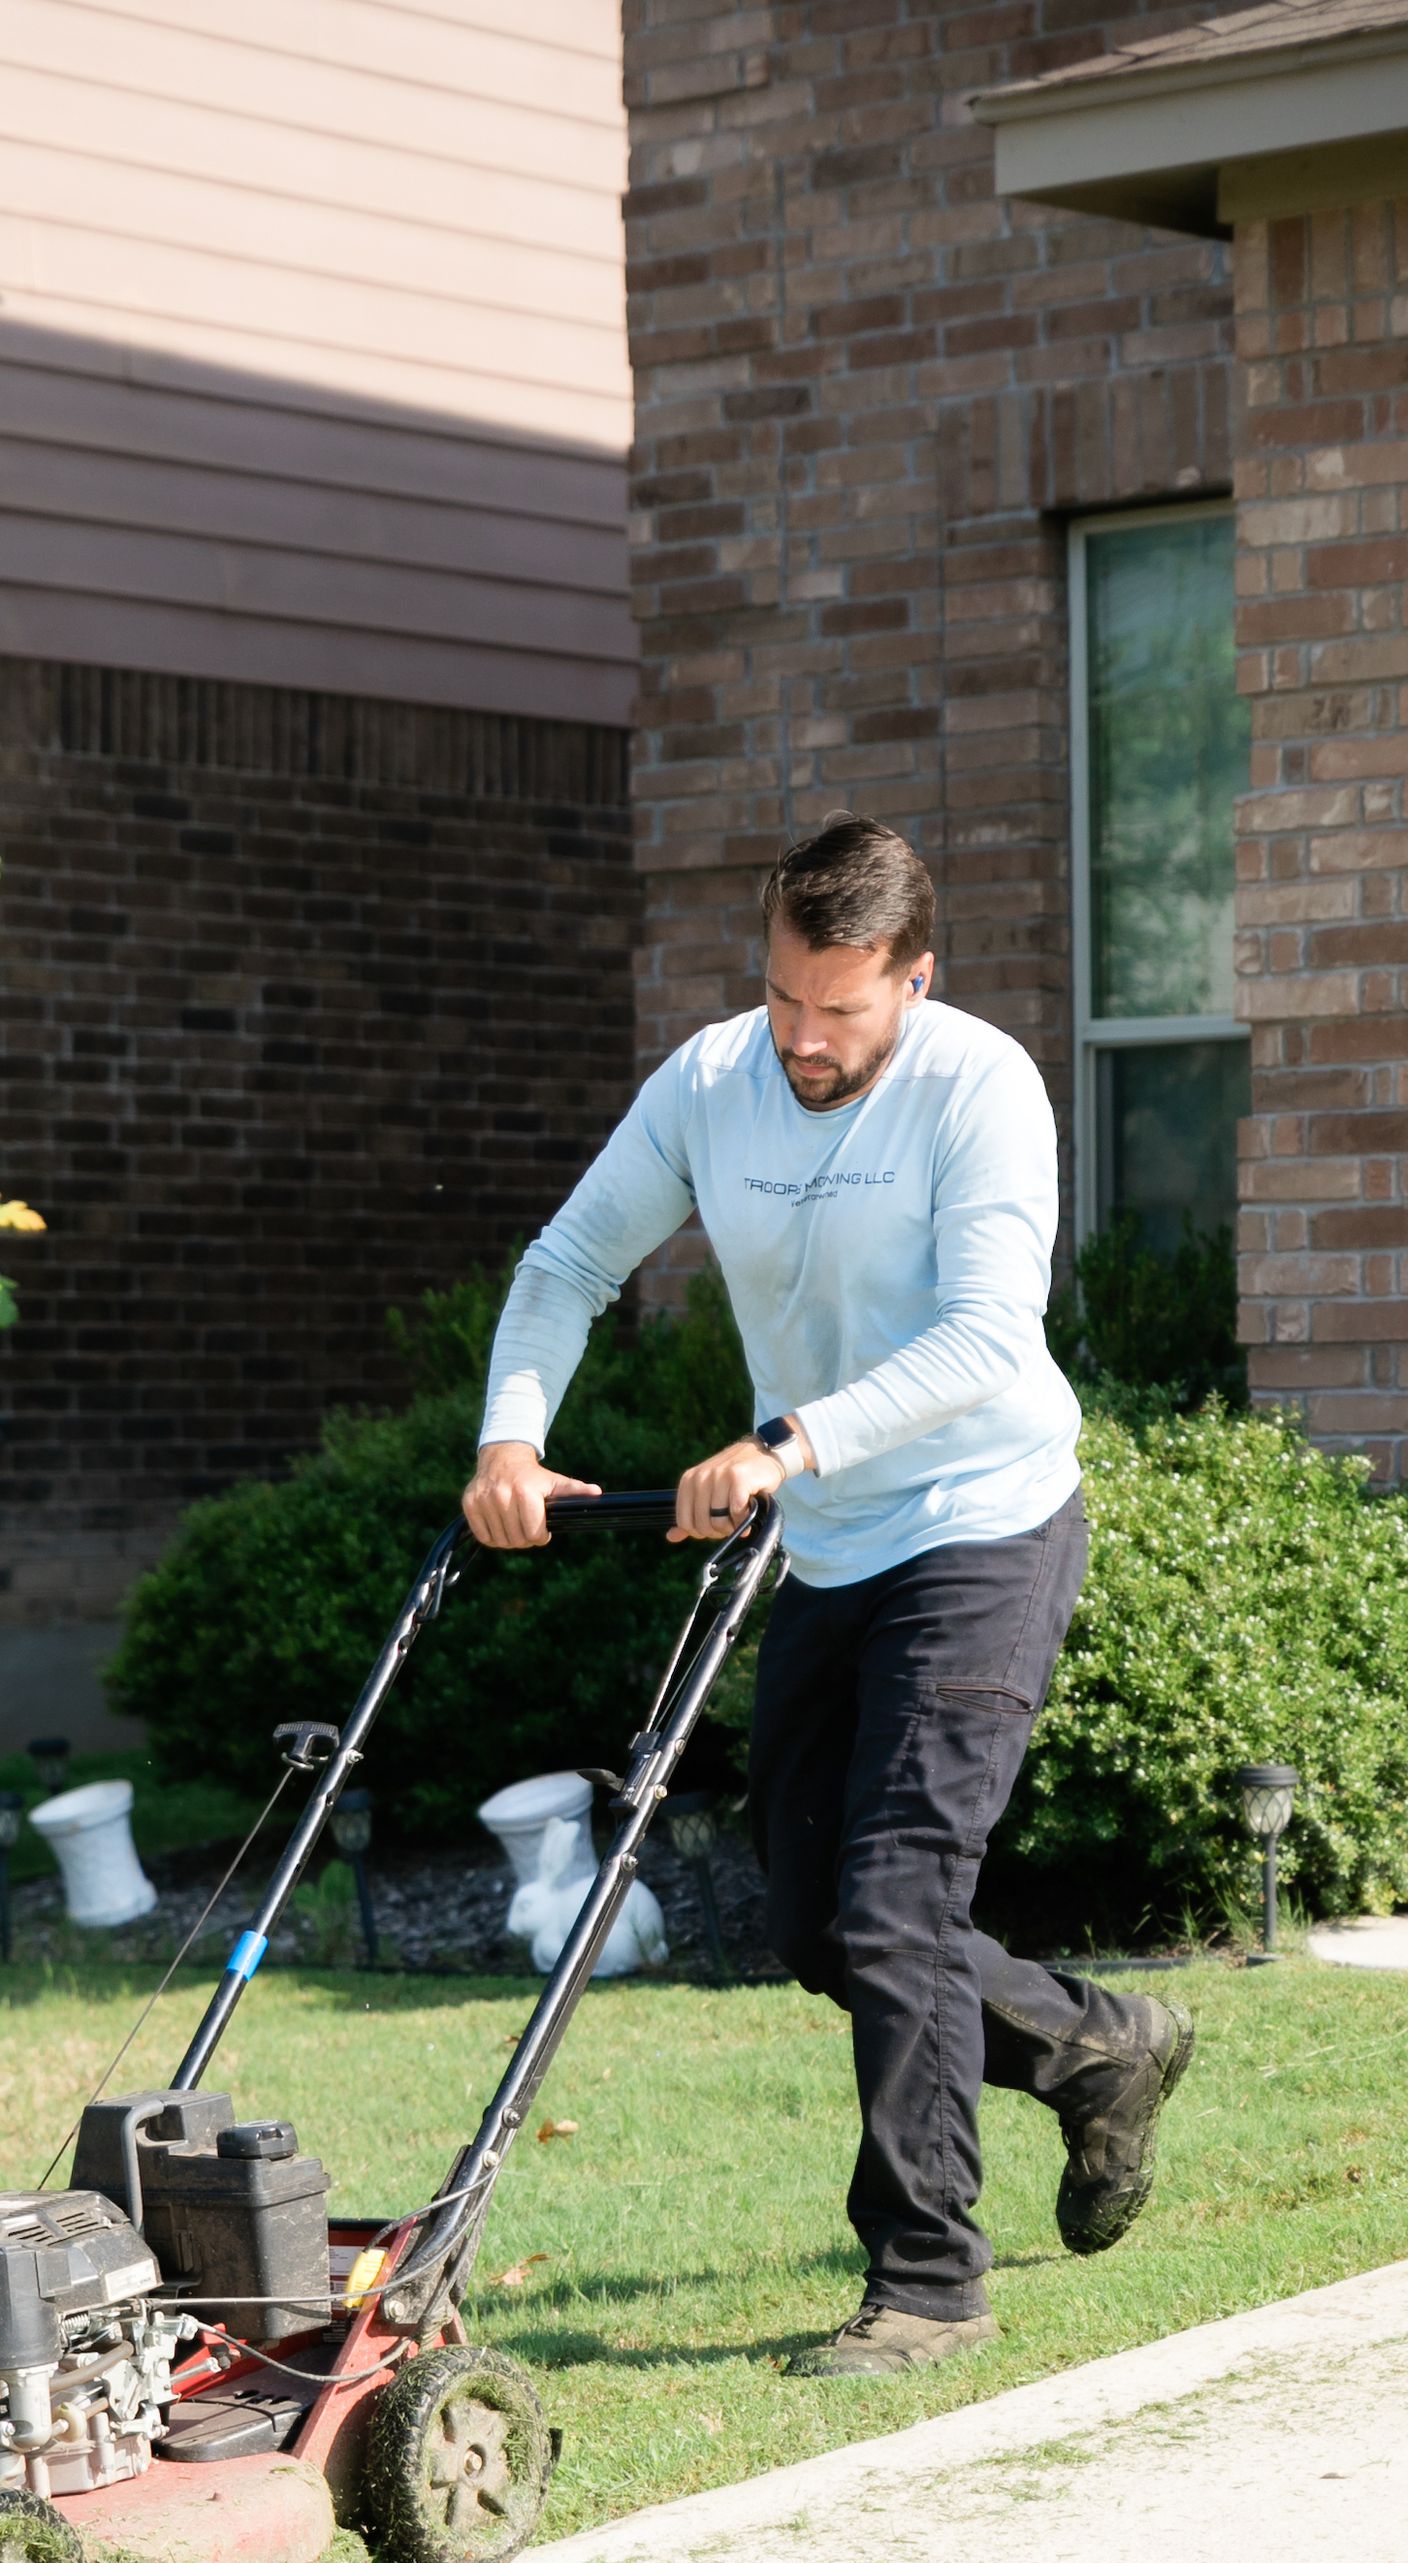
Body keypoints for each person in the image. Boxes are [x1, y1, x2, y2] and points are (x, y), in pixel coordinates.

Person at [461, 815, 1192, 2378]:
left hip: (984, 1521)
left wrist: (789, 1438)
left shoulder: (979, 1086)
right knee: (818, 1926)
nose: (804, 1038)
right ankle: (1097, 2050)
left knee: (898, 1904)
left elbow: (994, 1336)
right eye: (785, 998)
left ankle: (928, 2279)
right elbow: (568, 1263)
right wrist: (512, 1438)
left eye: (840, 1010)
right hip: (835, 1538)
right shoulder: (713, 1082)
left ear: (914, 982)